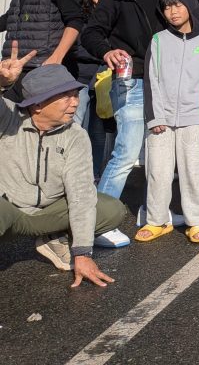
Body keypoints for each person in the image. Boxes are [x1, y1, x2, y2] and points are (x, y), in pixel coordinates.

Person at [81, 0, 180, 246]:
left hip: (167, 80)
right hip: (131, 78)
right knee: (126, 151)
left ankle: (155, 212)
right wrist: (107, 51)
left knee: (160, 153)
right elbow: (92, 33)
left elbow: (189, 24)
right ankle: (97, 223)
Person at [0, 52, 123, 286]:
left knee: (111, 210)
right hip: (9, 213)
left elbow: (81, 194)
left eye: (75, 94)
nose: (75, 102)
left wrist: (83, 253)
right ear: (37, 105)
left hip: (46, 214)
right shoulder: (8, 119)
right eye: (65, 96)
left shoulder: (76, 135)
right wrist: (2, 83)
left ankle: (53, 237)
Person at [135, 0, 199, 245]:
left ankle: (197, 221)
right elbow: (151, 80)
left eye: (178, 5)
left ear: (190, 6)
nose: (172, 12)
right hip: (161, 118)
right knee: (157, 171)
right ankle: (156, 220)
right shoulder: (159, 40)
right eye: (167, 7)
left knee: (194, 170)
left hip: (193, 118)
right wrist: (154, 117)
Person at [74, 0, 118, 177]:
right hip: (79, 78)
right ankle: (72, 174)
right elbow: (75, 47)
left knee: (99, 131)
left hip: (105, 80)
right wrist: (103, 53)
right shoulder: (78, 14)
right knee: (75, 127)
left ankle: (95, 176)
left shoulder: (117, 15)